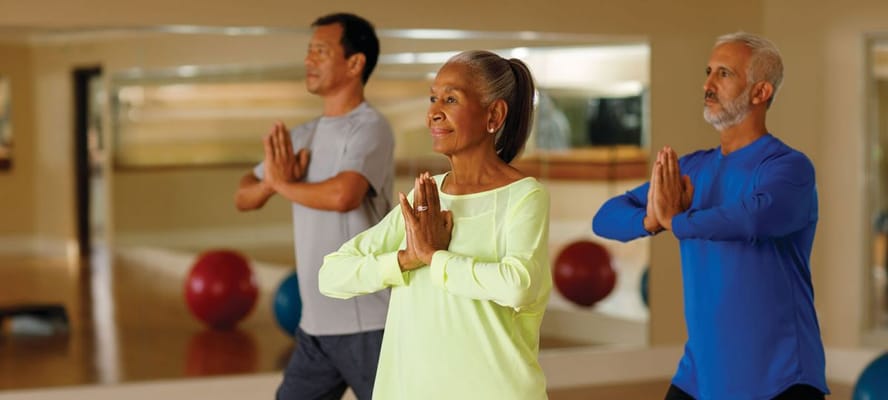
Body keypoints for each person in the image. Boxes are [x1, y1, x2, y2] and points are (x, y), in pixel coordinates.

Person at [593, 32, 828, 400]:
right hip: (700, 376)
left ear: (760, 92)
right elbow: (605, 217)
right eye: (708, 72)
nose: (708, 84)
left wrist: (676, 221)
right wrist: (651, 220)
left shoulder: (788, 168)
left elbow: (752, 218)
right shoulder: (692, 168)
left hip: (780, 378)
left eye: (724, 74)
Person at [318, 50, 551, 400]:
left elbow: (518, 286)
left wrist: (434, 258)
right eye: (433, 98)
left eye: (451, 98)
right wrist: (407, 259)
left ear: (494, 115)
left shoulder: (524, 197)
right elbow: (331, 275)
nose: (433, 112)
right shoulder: (425, 198)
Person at [234, 12, 394, 400]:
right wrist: (272, 184)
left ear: (355, 64)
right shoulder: (303, 134)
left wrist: (281, 183)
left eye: (321, 51)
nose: (309, 61)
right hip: (315, 326)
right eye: (309, 51)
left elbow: (343, 196)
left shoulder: (370, 127)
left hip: (367, 323)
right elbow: (243, 195)